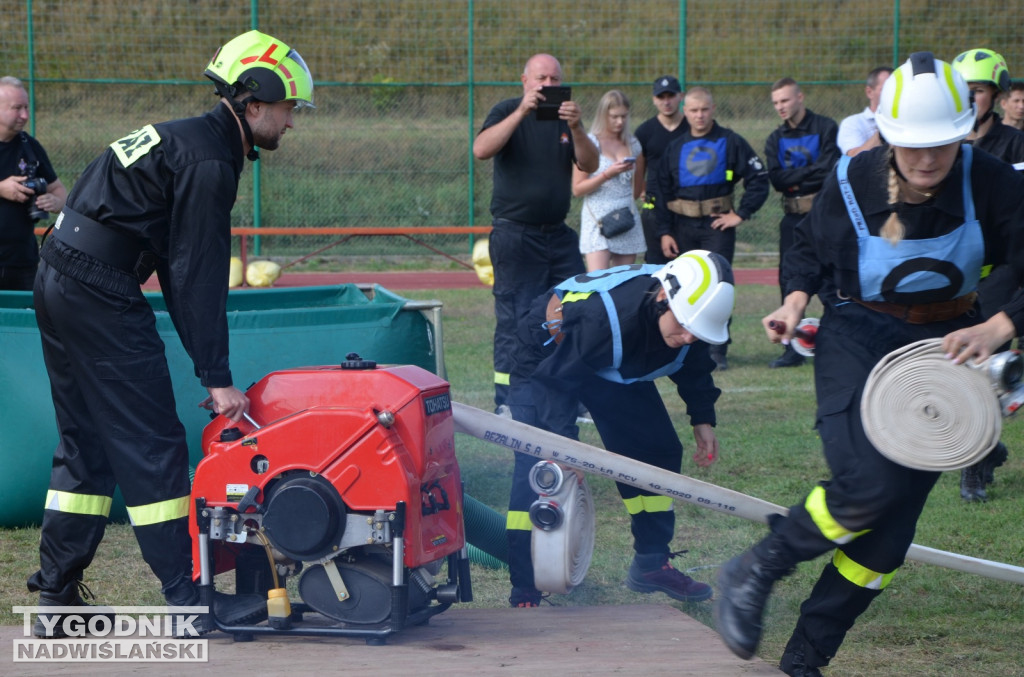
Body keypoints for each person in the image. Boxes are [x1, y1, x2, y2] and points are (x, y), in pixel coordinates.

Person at [714, 53, 1024, 676]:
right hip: (856, 336)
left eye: (942, 144)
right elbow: (807, 246)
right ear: (887, 135)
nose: (929, 160)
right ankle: (758, 567)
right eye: (914, 147)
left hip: (948, 347)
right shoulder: (852, 179)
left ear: (964, 132)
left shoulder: (992, 180)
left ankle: (804, 659)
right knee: (868, 486)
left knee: (886, 540)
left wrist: (1000, 324)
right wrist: (794, 299)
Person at [27, 30, 314, 637]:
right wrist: (217, 377)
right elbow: (195, 274)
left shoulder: (184, 136)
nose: (292, 123)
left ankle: (54, 594)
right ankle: (190, 604)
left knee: (86, 443)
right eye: (289, 109)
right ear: (254, 102)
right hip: (98, 288)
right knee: (152, 442)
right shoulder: (210, 160)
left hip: (59, 272)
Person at [505, 250, 734, 607]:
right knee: (538, 469)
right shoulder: (606, 321)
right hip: (547, 357)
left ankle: (650, 563)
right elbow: (556, 383)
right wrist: (564, 447)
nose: (689, 337)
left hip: (609, 356)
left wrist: (702, 418)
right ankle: (526, 584)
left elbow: (695, 363)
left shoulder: (690, 312)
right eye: (685, 326)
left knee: (656, 450)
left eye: (697, 330)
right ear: (662, 298)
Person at [473, 53, 598, 416]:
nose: (547, 85)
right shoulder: (507, 110)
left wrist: (576, 128)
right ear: (525, 81)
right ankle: (507, 402)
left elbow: (589, 164)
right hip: (515, 234)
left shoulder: (564, 120)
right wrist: (521, 113)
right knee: (515, 317)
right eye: (541, 78)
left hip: (557, 235)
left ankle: (567, 395)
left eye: (554, 79)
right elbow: (481, 149)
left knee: (574, 310)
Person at [654, 86, 769, 371]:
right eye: (693, 110)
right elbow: (661, 190)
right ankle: (685, 348)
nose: (700, 115)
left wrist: (741, 214)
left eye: (704, 109)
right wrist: (664, 232)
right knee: (682, 288)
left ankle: (718, 351)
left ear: (713, 109)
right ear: (685, 111)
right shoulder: (675, 147)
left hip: (717, 227)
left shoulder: (731, 141)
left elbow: (758, 178)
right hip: (682, 228)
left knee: (718, 287)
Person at [764, 77, 840, 368]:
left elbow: (829, 169)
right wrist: (810, 172)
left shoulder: (825, 127)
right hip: (792, 219)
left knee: (833, 281)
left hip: (824, 216)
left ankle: (837, 343)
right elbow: (777, 179)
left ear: (800, 98)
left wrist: (796, 176)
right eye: (775, 103)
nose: (780, 107)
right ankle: (791, 348)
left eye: (784, 100)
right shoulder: (774, 139)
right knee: (790, 279)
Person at [0, 76, 66, 291]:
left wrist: (54, 201)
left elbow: (59, 191)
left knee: (23, 322)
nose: (25, 115)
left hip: (21, 263)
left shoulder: (30, 146)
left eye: (26, 107)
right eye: (16, 108)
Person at [573, 89, 644, 272]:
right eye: (614, 117)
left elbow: (636, 189)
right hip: (597, 218)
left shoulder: (633, 144)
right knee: (598, 282)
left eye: (624, 116)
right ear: (603, 114)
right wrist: (607, 174)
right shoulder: (590, 142)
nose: (620, 122)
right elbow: (578, 189)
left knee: (625, 283)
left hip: (626, 216)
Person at [635, 75, 689, 265]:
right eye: (661, 97)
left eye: (671, 96)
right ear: (654, 99)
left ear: (680, 96)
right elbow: (638, 168)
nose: (666, 102)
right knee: (656, 270)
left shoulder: (691, 128)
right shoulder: (644, 132)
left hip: (687, 209)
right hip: (656, 211)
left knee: (688, 267)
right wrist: (643, 189)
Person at [952, 48, 1024, 166]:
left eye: (978, 91)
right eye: (961, 89)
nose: (968, 98)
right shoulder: (944, 143)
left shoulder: (1017, 144)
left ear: (996, 94)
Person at [837, 66, 893, 157]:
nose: (893, 94)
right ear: (869, 92)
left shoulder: (910, 121)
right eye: (887, 89)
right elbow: (855, 158)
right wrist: (885, 129)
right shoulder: (852, 123)